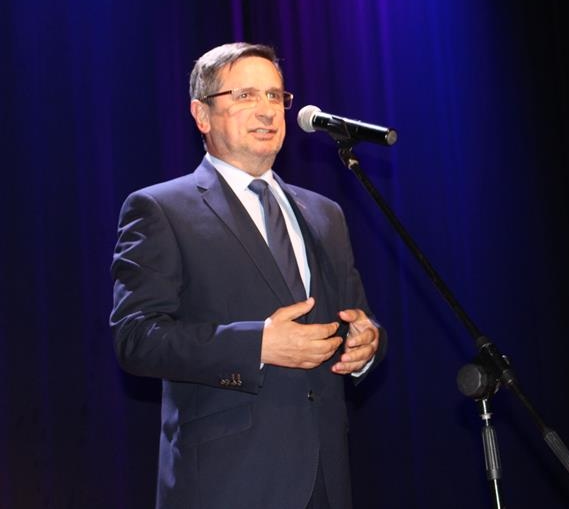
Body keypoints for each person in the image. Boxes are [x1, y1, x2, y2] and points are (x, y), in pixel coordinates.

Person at [109, 42, 387, 509]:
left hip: (326, 478)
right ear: (202, 114)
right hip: (226, 482)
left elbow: (357, 316)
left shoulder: (325, 213)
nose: (266, 110)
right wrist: (257, 344)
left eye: (275, 95)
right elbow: (136, 338)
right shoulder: (160, 209)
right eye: (245, 95)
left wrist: (366, 345)